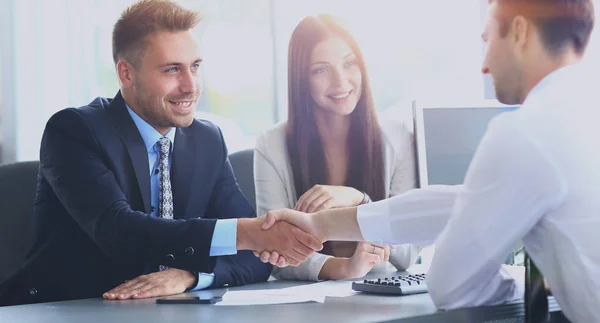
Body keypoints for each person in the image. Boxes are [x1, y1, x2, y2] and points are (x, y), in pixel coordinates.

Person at [257, 0, 600, 321]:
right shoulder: (580, 112)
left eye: (488, 39)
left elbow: (452, 282)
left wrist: (519, 284)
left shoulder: (526, 132)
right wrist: (322, 226)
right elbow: (459, 202)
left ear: (521, 33)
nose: (484, 64)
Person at [0, 0, 322, 306]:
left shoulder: (206, 140)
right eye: (172, 70)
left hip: (164, 310)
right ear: (126, 73)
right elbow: (119, 230)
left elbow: (253, 256)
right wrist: (246, 233)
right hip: (62, 309)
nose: (190, 85)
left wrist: (190, 276)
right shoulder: (74, 131)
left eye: (195, 67)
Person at [253, 14, 420, 281]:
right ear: (301, 79)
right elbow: (276, 252)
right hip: (307, 301)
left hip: (383, 295)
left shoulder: (399, 137)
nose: (341, 81)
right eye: (321, 69)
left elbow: (409, 251)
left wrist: (360, 200)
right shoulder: (271, 144)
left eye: (349, 63)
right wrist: (344, 269)